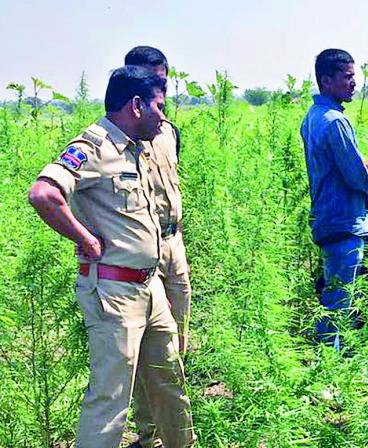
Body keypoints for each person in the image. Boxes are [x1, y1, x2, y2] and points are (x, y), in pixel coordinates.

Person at [27, 66, 195, 448]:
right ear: (136, 105)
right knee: (111, 398)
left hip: (149, 287)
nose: (164, 117)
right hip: (114, 293)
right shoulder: (96, 146)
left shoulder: (136, 149)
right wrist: (84, 237)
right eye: (159, 106)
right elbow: (44, 194)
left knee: (169, 380)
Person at [300, 49, 368, 350]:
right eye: (347, 78)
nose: (354, 84)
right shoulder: (335, 121)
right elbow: (356, 178)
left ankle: (339, 368)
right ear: (326, 80)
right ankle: (326, 374)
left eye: (353, 77)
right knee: (338, 302)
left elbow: (349, 163)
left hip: (329, 219)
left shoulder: (313, 117)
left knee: (340, 297)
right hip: (344, 222)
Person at [124, 45, 192, 448]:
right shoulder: (121, 134)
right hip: (140, 252)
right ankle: (149, 434)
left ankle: (174, 428)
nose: (159, 90)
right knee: (145, 346)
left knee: (175, 338)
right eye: (151, 81)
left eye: (163, 80)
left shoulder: (168, 130)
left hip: (173, 243)